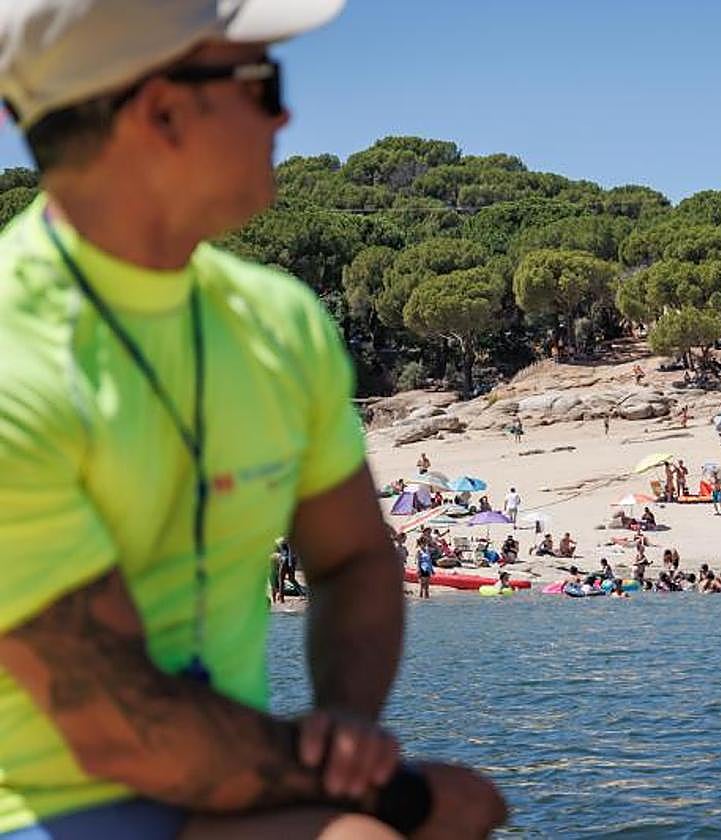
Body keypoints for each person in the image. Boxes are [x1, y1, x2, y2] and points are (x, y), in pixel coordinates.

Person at [0, 4, 506, 836]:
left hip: (204, 775)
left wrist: (347, 721)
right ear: (161, 111)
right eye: (261, 81)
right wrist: (378, 792)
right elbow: (121, 729)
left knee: (467, 807)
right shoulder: (19, 365)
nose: (285, 114)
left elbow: (351, 559)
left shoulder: (280, 321)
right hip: (52, 801)